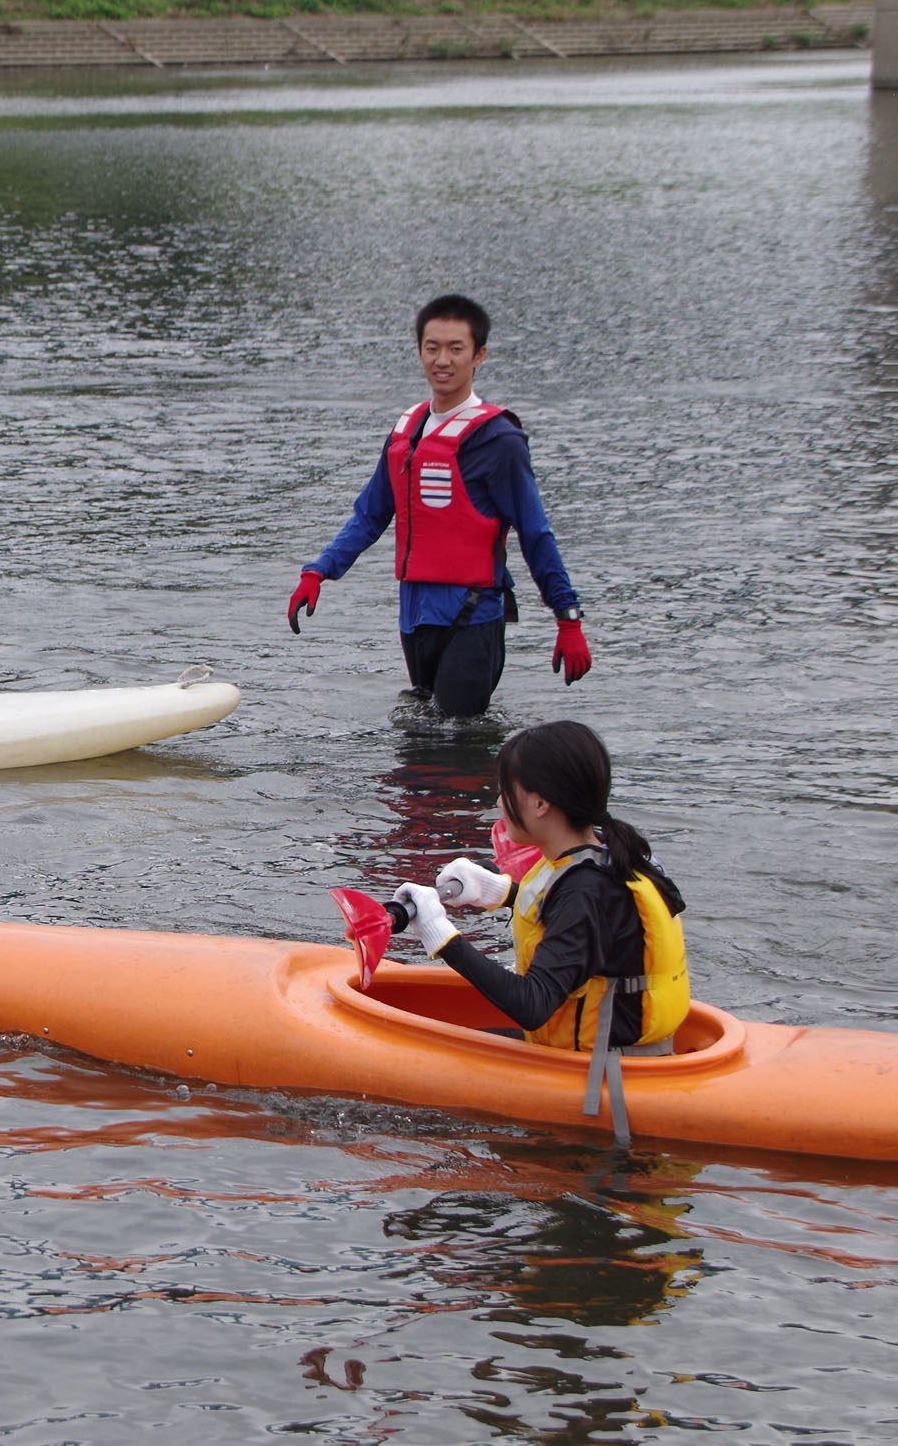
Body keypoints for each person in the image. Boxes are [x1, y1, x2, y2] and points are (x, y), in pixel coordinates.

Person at [288, 294, 589, 718]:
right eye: (432, 347)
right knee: (422, 740)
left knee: (455, 747)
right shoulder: (404, 434)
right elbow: (370, 515)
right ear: (419, 352)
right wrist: (319, 571)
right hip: (415, 617)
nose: (442, 360)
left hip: (472, 615)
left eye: (456, 348)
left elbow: (535, 532)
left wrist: (567, 617)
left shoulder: (499, 441)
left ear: (478, 355)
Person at [388, 719, 691, 1139]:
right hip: (605, 1053)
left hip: (605, 1075)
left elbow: (533, 1004)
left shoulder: (586, 890)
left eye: (505, 790)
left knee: (420, 1073)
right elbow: (592, 931)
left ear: (540, 803)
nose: (498, 801)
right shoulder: (603, 851)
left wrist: (442, 937)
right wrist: (498, 891)